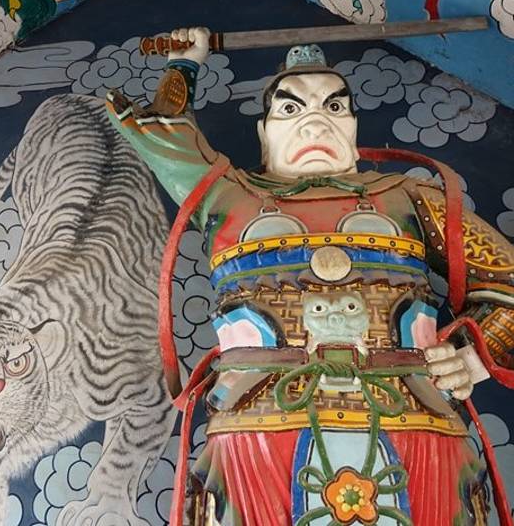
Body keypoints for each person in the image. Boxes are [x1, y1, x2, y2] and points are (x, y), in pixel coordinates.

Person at [106, 27, 514, 525]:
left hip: (415, 421)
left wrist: (470, 359)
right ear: (264, 134)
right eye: (291, 108)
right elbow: (165, 132)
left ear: (354, 129)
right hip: (256, 430)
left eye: (334, 107)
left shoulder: (410, 198)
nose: (316, 121)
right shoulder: (226, 197)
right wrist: (186, 62)